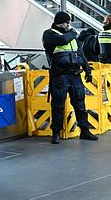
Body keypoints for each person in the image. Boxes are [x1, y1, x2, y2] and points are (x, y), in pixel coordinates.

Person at [41, 11, 98, 144]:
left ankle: (84, 130)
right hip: (60, 75)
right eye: (67, 22)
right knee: (58, 105)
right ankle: (56, 133)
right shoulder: (49, 34)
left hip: (75, 75)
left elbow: (80, 53)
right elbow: (63, 40)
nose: (69, 25)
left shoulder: (71, 36)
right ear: (60, 22)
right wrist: (72, 33)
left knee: (80, 104)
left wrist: (87, 70)